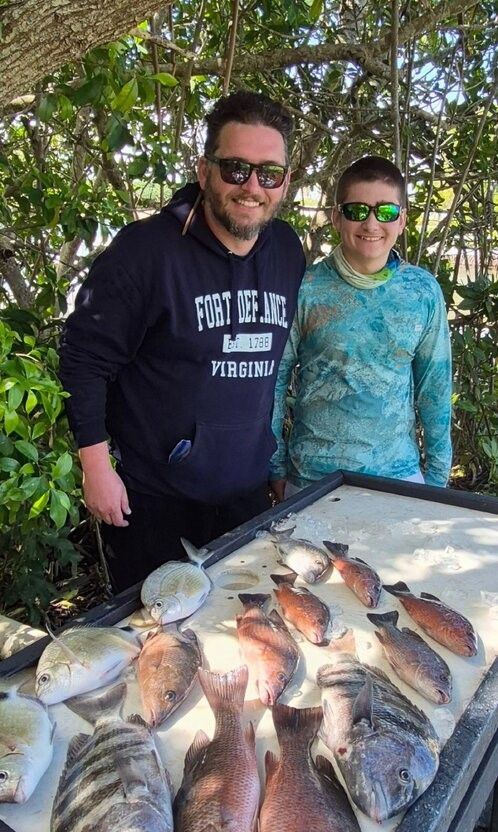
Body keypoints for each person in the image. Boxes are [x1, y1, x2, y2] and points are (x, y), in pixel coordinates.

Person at [59, 90, 306, 592]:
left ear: (284, 182)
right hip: (154, 500)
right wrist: (95, 467)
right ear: (205, 170)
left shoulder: (286, 250)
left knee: (248, 621)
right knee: (156, 630)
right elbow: (84, 360)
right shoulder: (144, 252)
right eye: (235, 169)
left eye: (268, 173)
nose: (252, 186)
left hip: (245, 493)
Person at [270, 155, 452, 501]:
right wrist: (275, 465)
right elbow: (275, 380)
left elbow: (435, 388)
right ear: (336, 217)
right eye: (357, 211)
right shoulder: (305, 288)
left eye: (386, 211)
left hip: (400, 480)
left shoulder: (422, 292)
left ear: (402, 220)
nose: (371, 223)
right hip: (312, 482)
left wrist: (437, 479)